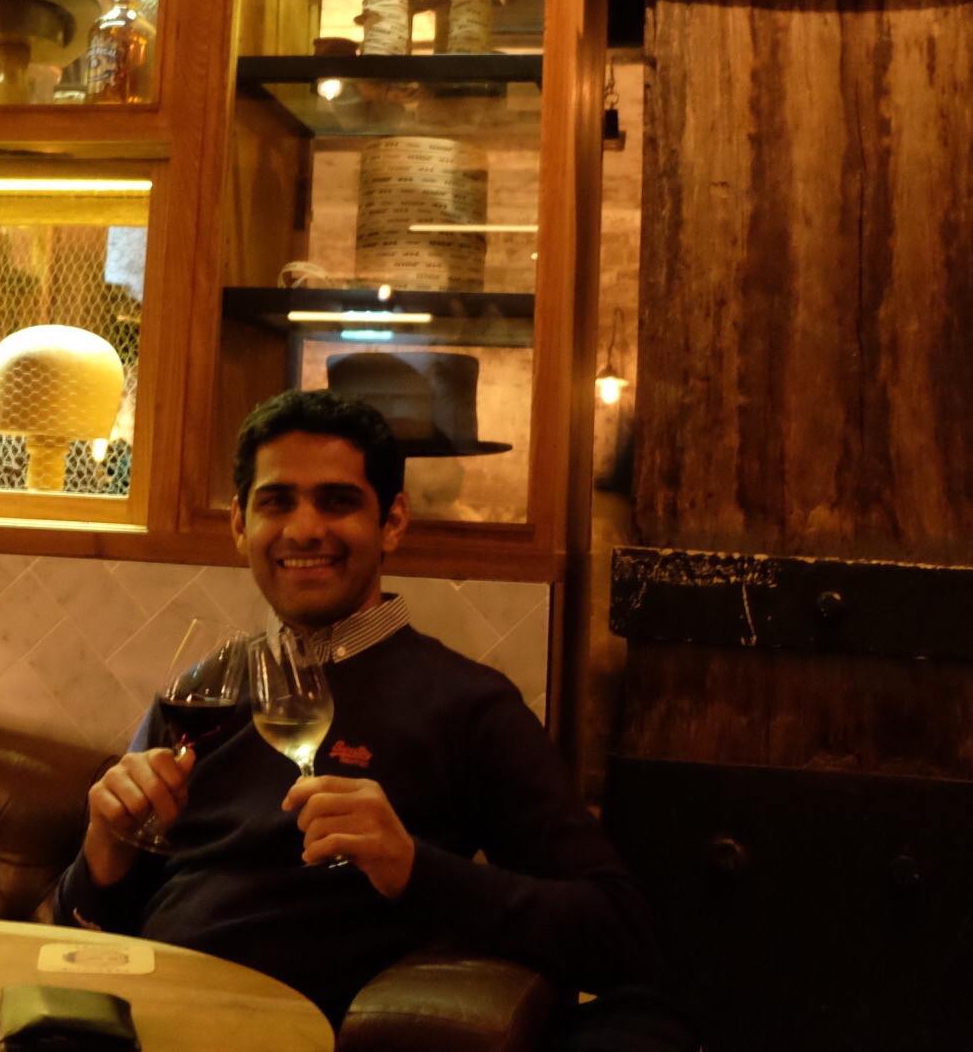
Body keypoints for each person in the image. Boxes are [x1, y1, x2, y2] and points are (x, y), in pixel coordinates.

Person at [53, 389, 691, 1048]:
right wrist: (104, 852)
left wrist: (413, 867)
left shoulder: (466, 705)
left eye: (337, 501)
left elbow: (621, 932)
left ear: (392, 522)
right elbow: (79, 943)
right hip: (133, 1027)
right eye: (277, 502)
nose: (305, 529)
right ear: (240, 524)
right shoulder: (201, 693)